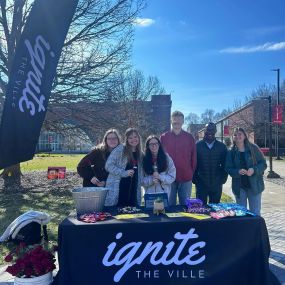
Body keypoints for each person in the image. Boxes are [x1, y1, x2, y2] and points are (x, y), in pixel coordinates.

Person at [225, 127, 267, 215]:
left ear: (245, 136)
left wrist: (254, 169)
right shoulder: (231, 152)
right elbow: (228, 168)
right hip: (239, 187)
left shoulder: (253, 148)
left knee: (255, 213)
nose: (237, 136)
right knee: (241, 214)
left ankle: (255, 229)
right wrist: (237, 172)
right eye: (235, 134)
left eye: (240, 134)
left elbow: (263, 164)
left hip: (254, 186)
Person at [160, 111, 196, 205]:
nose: (177, 123)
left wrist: (191, 172)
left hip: (186, 177)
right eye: (174, 121)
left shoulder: (189, 137)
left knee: (185, 207)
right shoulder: (164, 137)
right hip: (169, 178)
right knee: (169, 206)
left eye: (179, 121)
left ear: (183, 122)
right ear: (171, 121)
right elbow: (160, 156)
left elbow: (194, 157)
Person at [105, 128, 143, 207]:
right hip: (119, 188)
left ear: (139, 137)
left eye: (135, 137)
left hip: (134, 190)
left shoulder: (140, 153)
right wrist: (123, 173)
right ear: (127, 139)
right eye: (130, 138)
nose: (133, 139)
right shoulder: (120, 149)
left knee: (133, 214)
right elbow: (108, 165)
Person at [193, 122, 228, 204]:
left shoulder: (222, 147)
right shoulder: (197, 146)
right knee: (201, 211)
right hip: (201, 183)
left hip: (216, 184)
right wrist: (195, 179)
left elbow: (225, 165)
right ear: (204, 131)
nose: (210, 133)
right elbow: (194, 164)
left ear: (215, 131)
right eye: (208, 130)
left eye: (212, 130)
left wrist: (223, 179)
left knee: (215, 211)